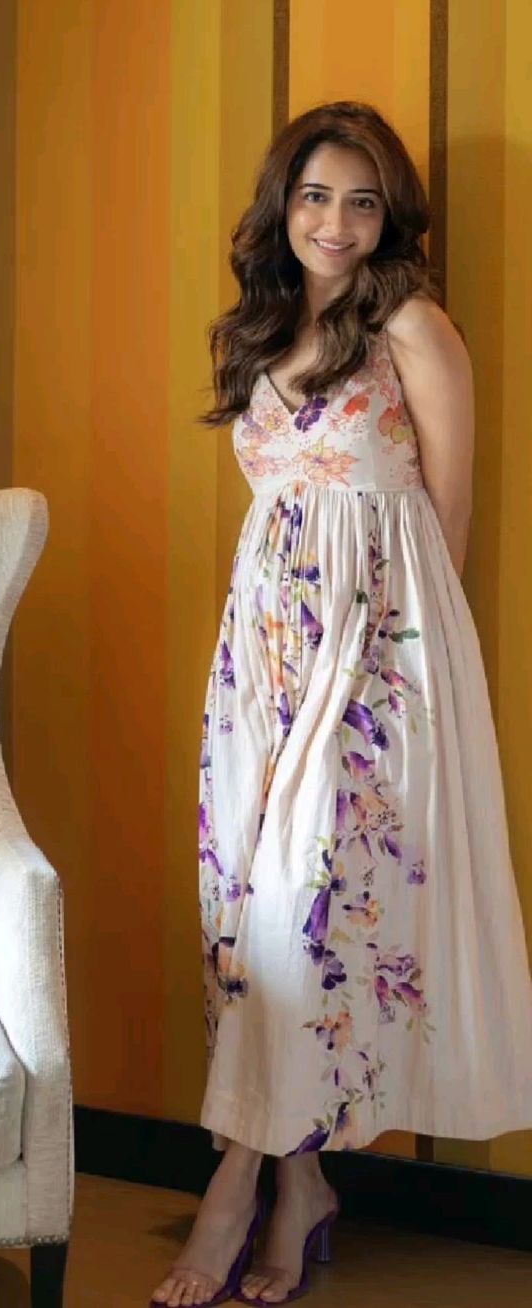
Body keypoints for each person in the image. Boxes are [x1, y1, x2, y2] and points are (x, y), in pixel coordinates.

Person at [150, 101, 532, 1308]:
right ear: (284, 205)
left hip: (372, 657)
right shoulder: (261, 327)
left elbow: (447, 517)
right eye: (315, 196)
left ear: (388, 217)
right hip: (262, 654)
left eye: (360, 202)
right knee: (241, 922)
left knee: (301, 910)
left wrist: (403, 682)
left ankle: (232, 1190)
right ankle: (302, 1185)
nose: (334, 222)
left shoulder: (412, 325)